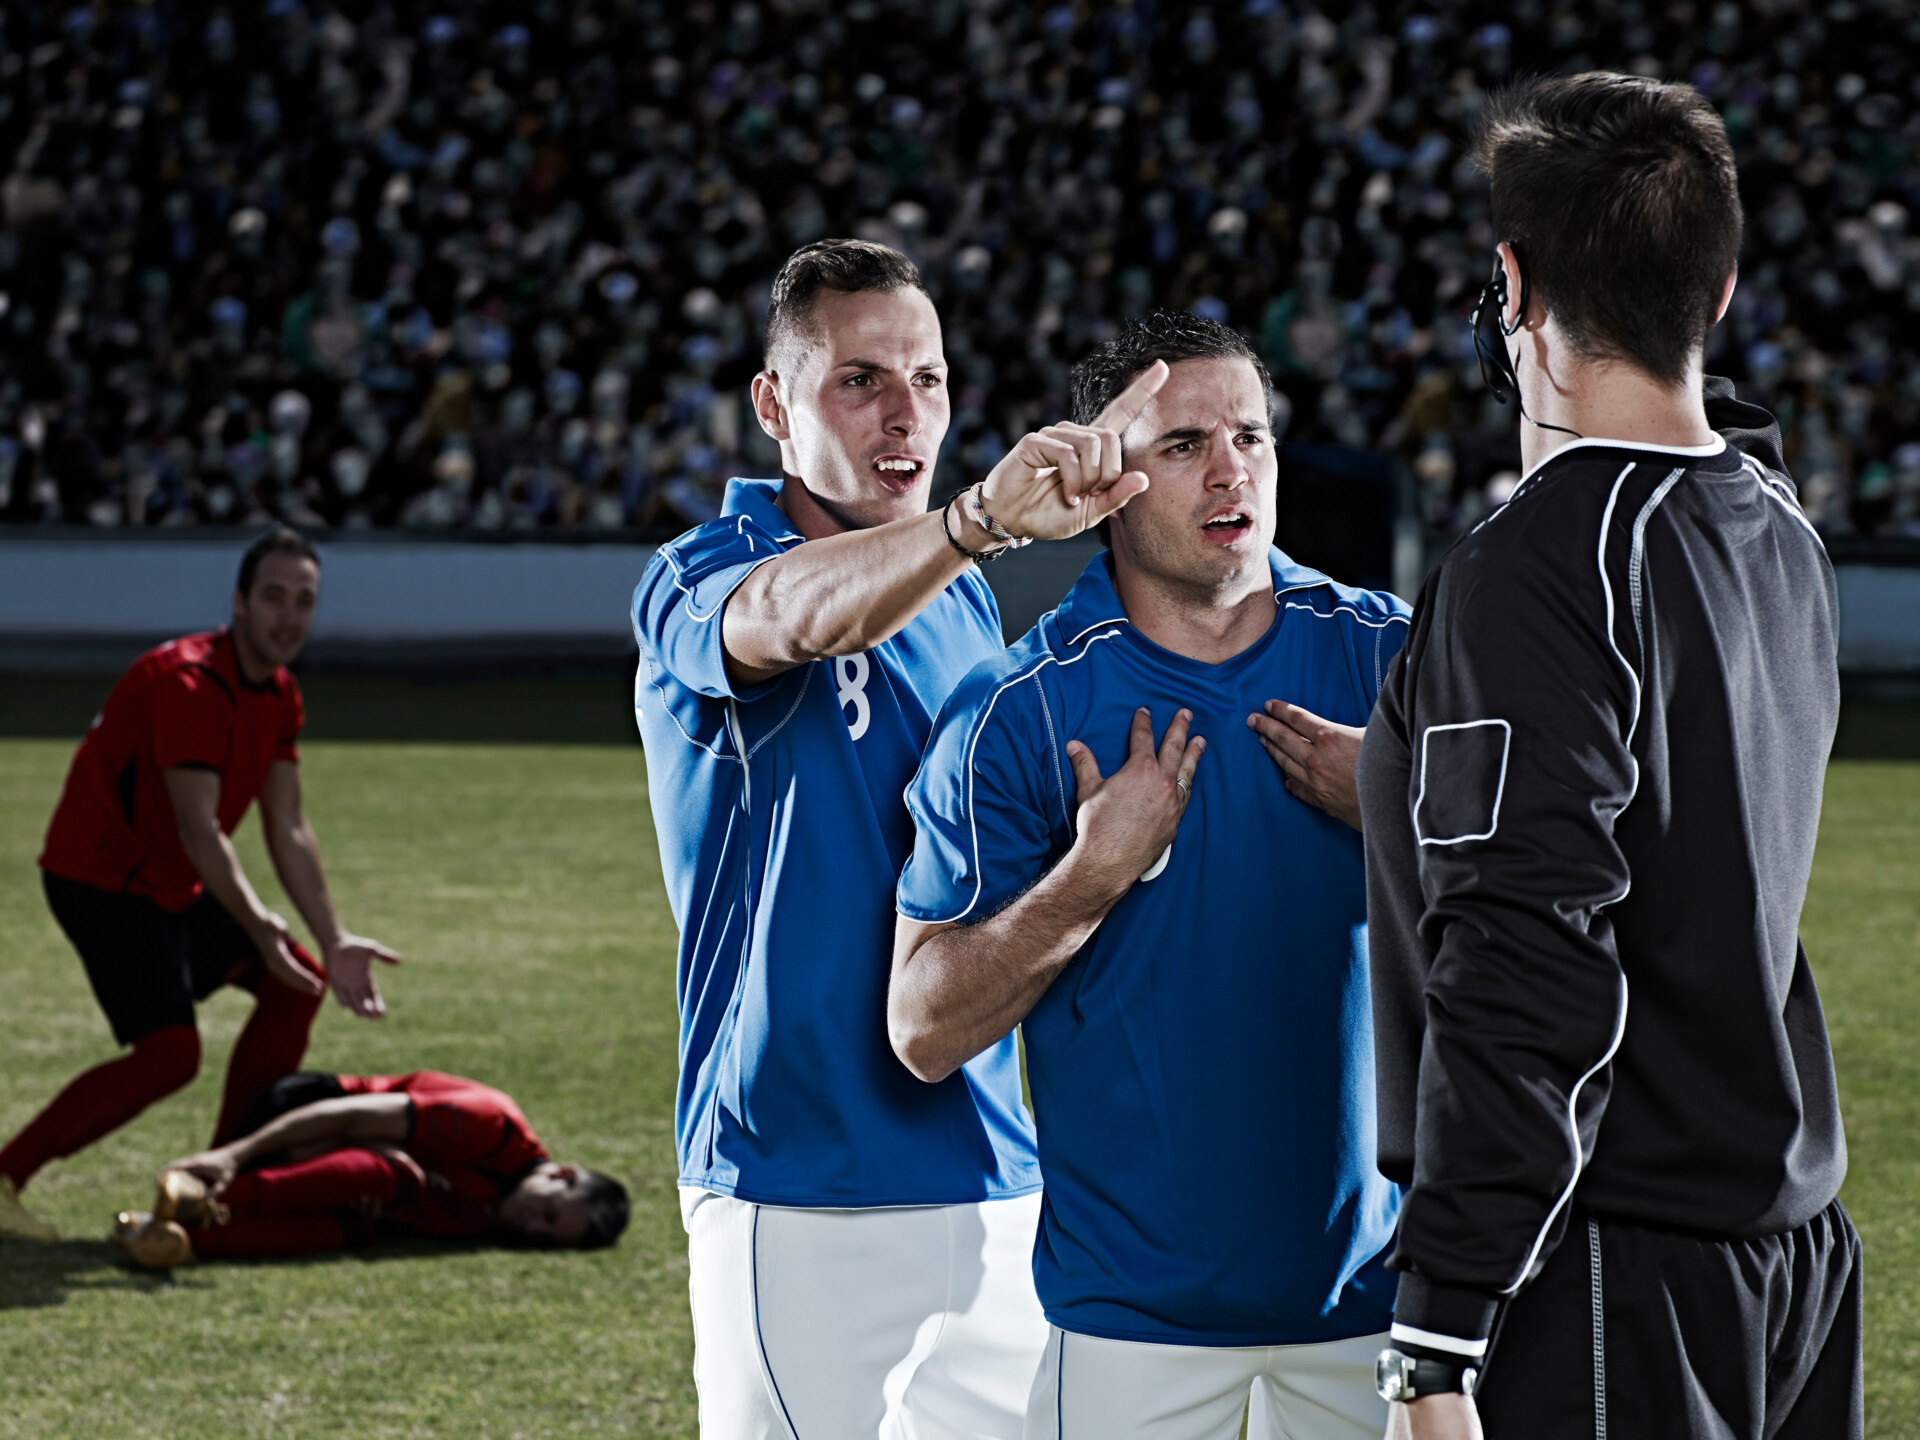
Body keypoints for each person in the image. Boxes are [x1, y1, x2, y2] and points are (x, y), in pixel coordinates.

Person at [1357, 74, 1860, 1440]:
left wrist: (1435, 1334)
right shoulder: (1778, 528)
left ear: (1509, 285)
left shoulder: (1543, 563)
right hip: (1789, 1252)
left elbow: (1531, 951)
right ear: (1722, 289)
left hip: (1606, 1271)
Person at [631, 237, 1169, 1438]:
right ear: (775, 402)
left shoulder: (966, 599)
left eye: (926, 380)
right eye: (860, 380)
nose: (903, 414)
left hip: (995, 1170)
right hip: (795, 1180)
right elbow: (792, 615)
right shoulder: (701, 570)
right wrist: (978, 519)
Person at [890, 311, 1411, 1440]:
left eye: (1252, 437)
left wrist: (1417, 805)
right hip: (1130, 1329)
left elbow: (1587, 899)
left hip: (1382, 1315)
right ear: (1110, 481)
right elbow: (923, 1028)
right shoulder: (1017, 710)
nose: (1232, 470)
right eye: (1184, 445)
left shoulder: (1396, 661)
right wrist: (1090, 877)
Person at [0, 526, 399, 1244]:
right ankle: (5, 1175)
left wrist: (334, 938)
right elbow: (199, 826)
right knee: (170, 1056)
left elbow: (288, 826)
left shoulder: (278, 692)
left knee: (296, 985)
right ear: (239, 602)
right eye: (273, 597)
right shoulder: (186, 682)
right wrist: (257, 922)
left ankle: (217, 1180)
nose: (289, 616)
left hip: (175, 879)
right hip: (103, 879)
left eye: (304, 601)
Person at [110, 1069, 629, 1266]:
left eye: (543, 1238)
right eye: (548, 1214)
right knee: (389, 1177)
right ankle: (203, 1198)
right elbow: (350, 1115)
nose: (529, 1227)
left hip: (335, 1176)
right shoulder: (491, 1126)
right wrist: (233, 1155)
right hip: (299, 1115)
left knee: (357, 1225)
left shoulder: (480, 1220)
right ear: (562, 1175)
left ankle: (173, 1242)